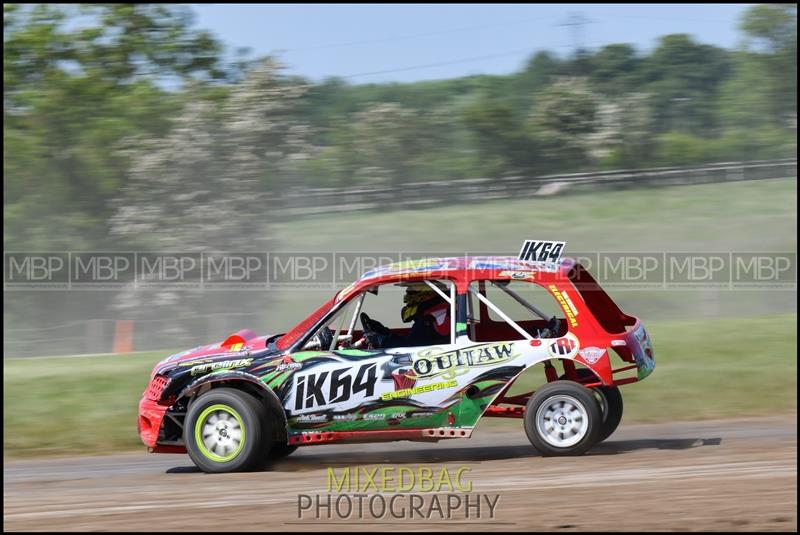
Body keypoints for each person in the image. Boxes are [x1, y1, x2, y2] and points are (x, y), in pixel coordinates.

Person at [361, 282, 450, 349]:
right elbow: (412, 340)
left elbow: (408, 348)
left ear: (426, 294)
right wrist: (387, 333)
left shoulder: (427, 321)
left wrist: (381, 340)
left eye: (410, 292)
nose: (406, 297)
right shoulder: (441, 312)